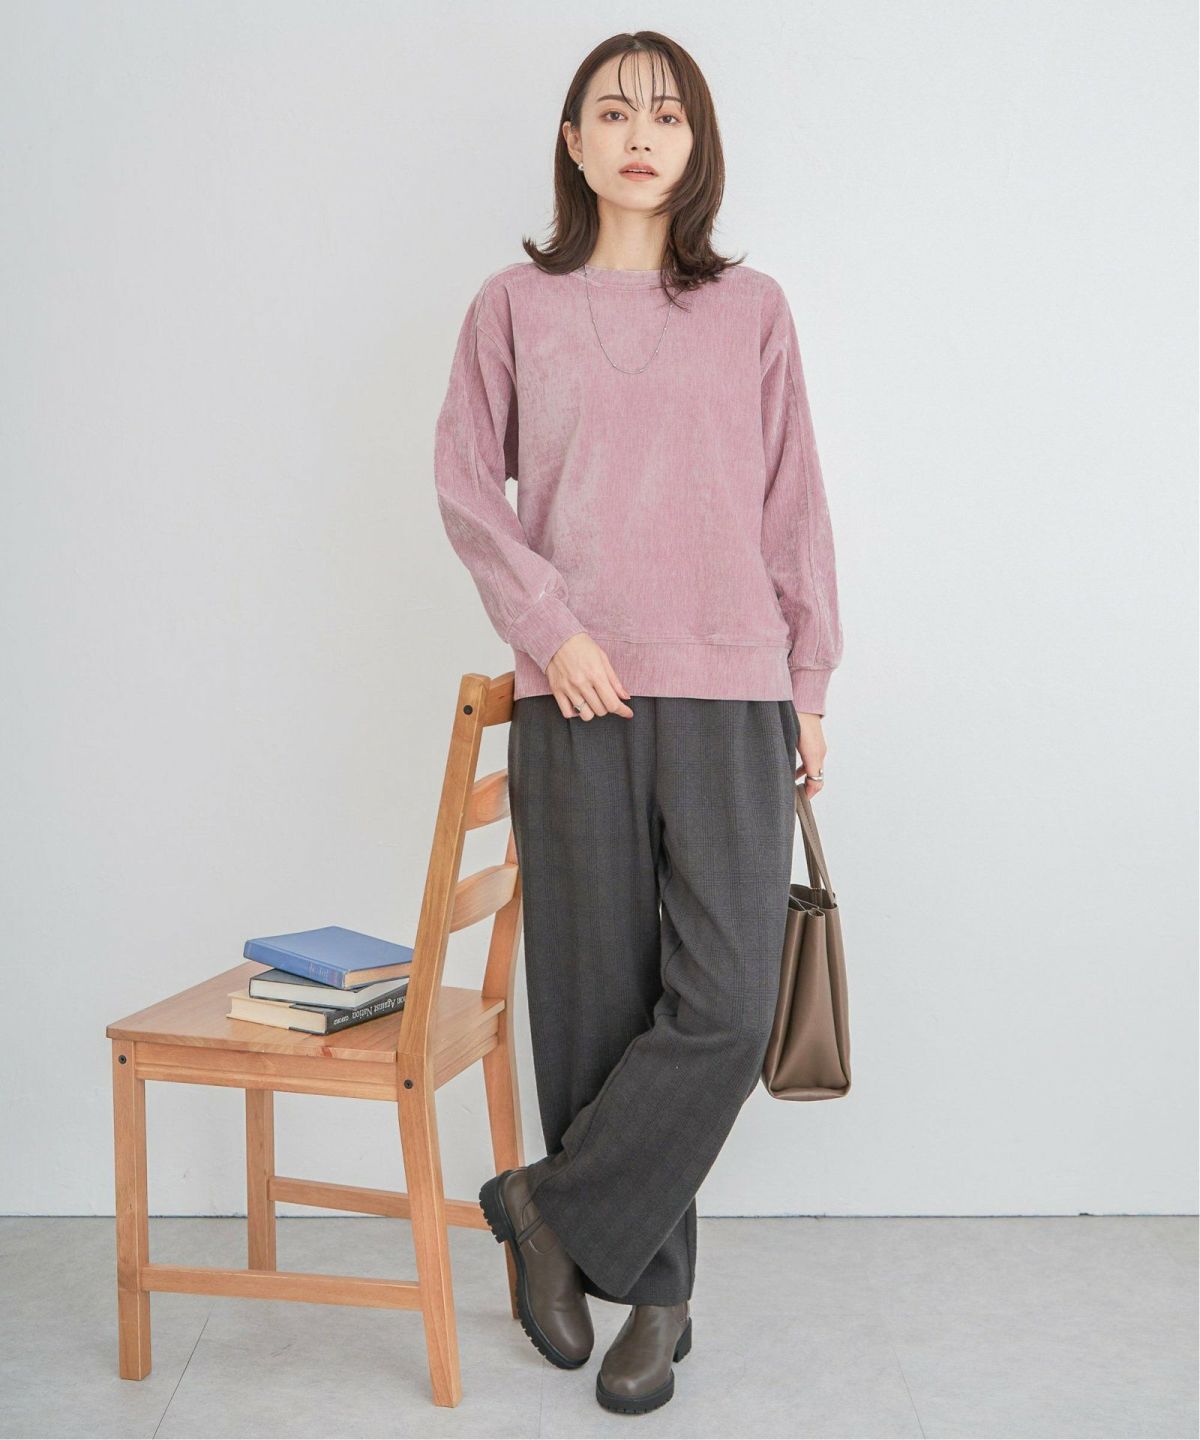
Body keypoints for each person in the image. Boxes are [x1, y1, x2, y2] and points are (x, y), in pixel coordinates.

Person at [433, 29, 843, 1416]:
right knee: (596, 1004)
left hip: (732, 686)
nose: (640, 135)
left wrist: (810, 681)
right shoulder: (513, 307)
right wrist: (551, 628)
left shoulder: (752, 310)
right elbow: (465, 487)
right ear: (574, 142)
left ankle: (545, 1207)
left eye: (666, 115)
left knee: (724, 1006)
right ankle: (658, 1302)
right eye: (612, 113)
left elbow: (794, 503)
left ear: (696, 143)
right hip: (577, 692)